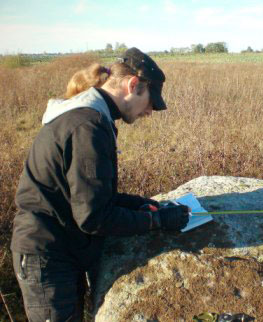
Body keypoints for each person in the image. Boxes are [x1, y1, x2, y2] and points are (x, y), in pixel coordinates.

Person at [10, 47, 190, 321]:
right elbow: (93, 217)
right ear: (133, 85)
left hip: (61, 249)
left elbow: (89, 196)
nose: (150, 112)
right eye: (151, 102)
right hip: (47, 255)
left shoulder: (90, 118)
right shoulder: (88, 126)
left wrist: (141, 204)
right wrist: (158, 222)